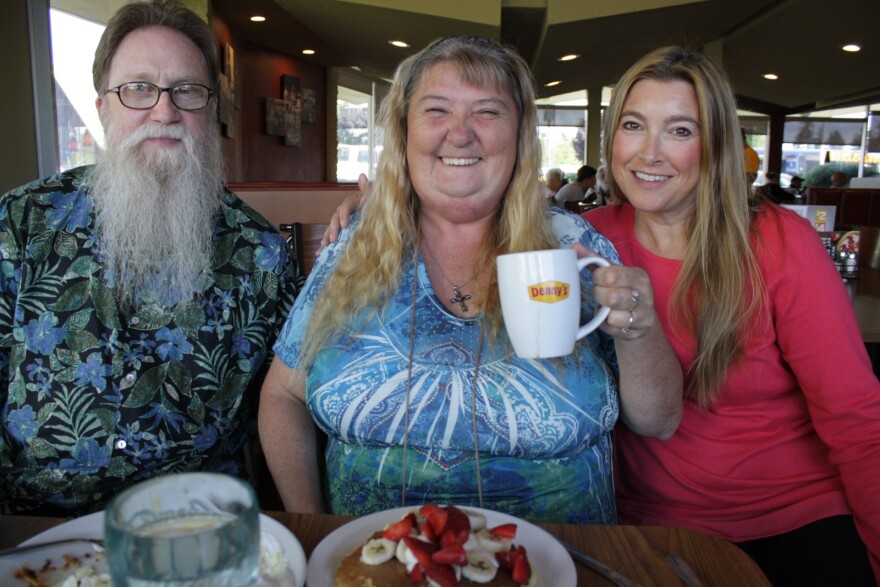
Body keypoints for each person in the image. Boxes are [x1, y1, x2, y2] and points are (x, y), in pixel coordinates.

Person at [260, 35, 682, 524]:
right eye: (436, 110)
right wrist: (311, 527)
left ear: (521, 134)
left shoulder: (571, 247)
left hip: (565, 559)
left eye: (487, 112)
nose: (460, 134)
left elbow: (658, 420)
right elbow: (281, 394)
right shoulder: (354, 244)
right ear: (404, 130)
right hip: (370, 559)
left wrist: (638, 327)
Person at [582, 45, 880, 585]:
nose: (649, 154)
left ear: (716, 144)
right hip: (642, 525)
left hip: (794, 517)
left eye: (679, 131)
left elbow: (858, 422)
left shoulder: (780, 242)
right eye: (633, 125)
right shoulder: (587, 240)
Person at [0, 0, 296, 516]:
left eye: (186, 90)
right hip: (30, 522)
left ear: (210, 109)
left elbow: (286, 408)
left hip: (194, 523)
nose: (164, 110)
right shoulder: (20, 223)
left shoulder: (261, 254)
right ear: (102, 108)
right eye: (138, 88)